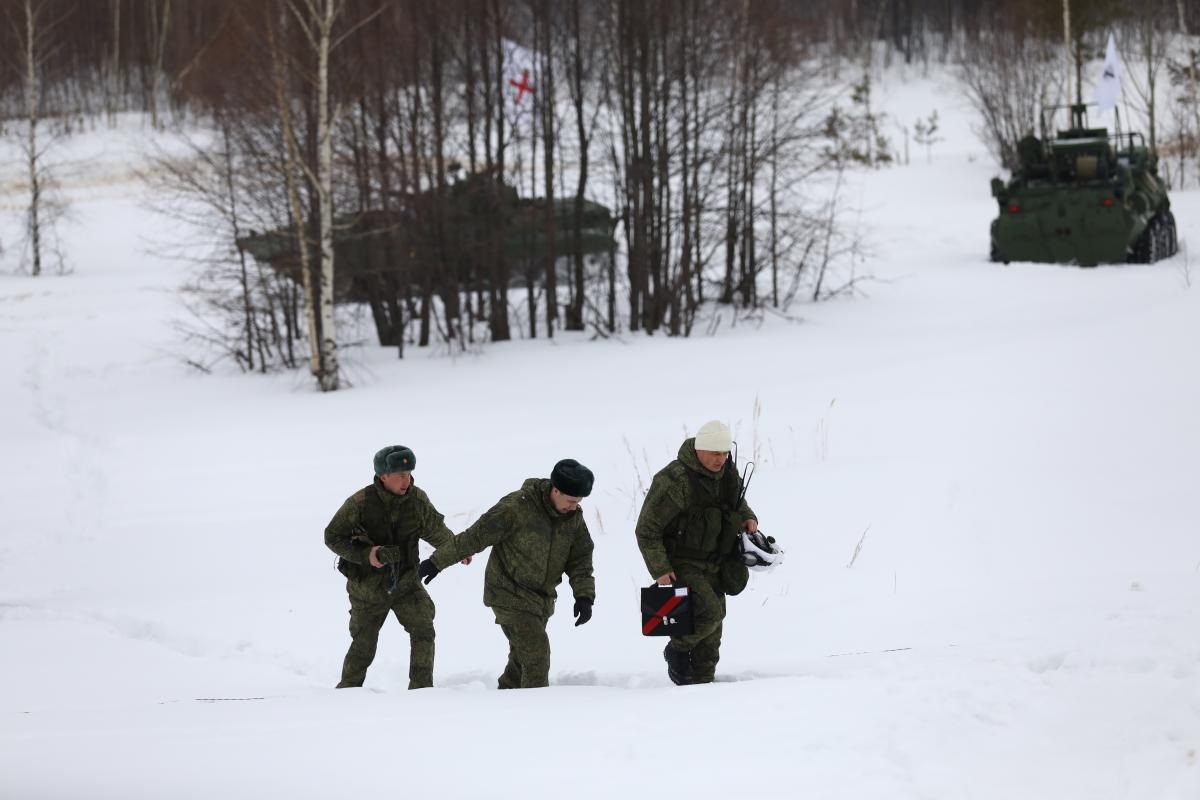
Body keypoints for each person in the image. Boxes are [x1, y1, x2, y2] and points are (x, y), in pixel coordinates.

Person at [418, 459, 596, 689]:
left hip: (540, 599)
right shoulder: (516, 508)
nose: (574, 506)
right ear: (556, 489)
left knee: (521, 660)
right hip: (507, 593)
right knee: (536, 655)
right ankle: (534, 710)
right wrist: (436, 562)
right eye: (571, 500)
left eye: (578, 502)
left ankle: (506, 700)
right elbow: (475, 536)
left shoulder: (573, 518)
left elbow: (580, 559)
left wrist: (584, 596)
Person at [324, 445, 471, 689]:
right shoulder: (360, 502)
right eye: (400, 475)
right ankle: (347, 693)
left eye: (410, 473)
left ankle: (421, 690)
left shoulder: (417, 498)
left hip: (406, 583)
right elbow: (332, 536)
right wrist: (366, 554)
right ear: (383, 477)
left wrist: (456, 549)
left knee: (424, 630)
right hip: (368, 589)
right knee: (364, 644)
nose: (407, 480)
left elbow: (434, 529)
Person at [635, 420, 758, 685]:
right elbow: (646, 529)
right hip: (682, 564)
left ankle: (702, 692)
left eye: (725, 453)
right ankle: (676, 650)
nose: (721, 459)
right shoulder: (674, 480)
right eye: (715, 453)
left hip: (717, 561)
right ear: (700, 450)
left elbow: (738, 502)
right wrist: (660, 569)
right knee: (711, 614)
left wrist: (748, 518)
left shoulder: (727, 473)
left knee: (711, 643)